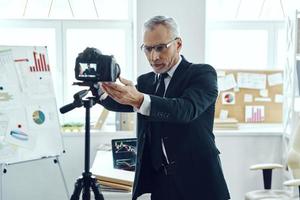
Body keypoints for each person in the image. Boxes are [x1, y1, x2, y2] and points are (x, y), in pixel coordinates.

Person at [99, 15, 230, 200]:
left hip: (199, 182)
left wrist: (138, 99)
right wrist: (100, 90)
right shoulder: (147, 81)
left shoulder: (202, 74)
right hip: (161, 183)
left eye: (160, 48)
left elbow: (185, 110)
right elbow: (126, 102)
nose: (154, 57)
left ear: (178, 44)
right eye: (148, 49)